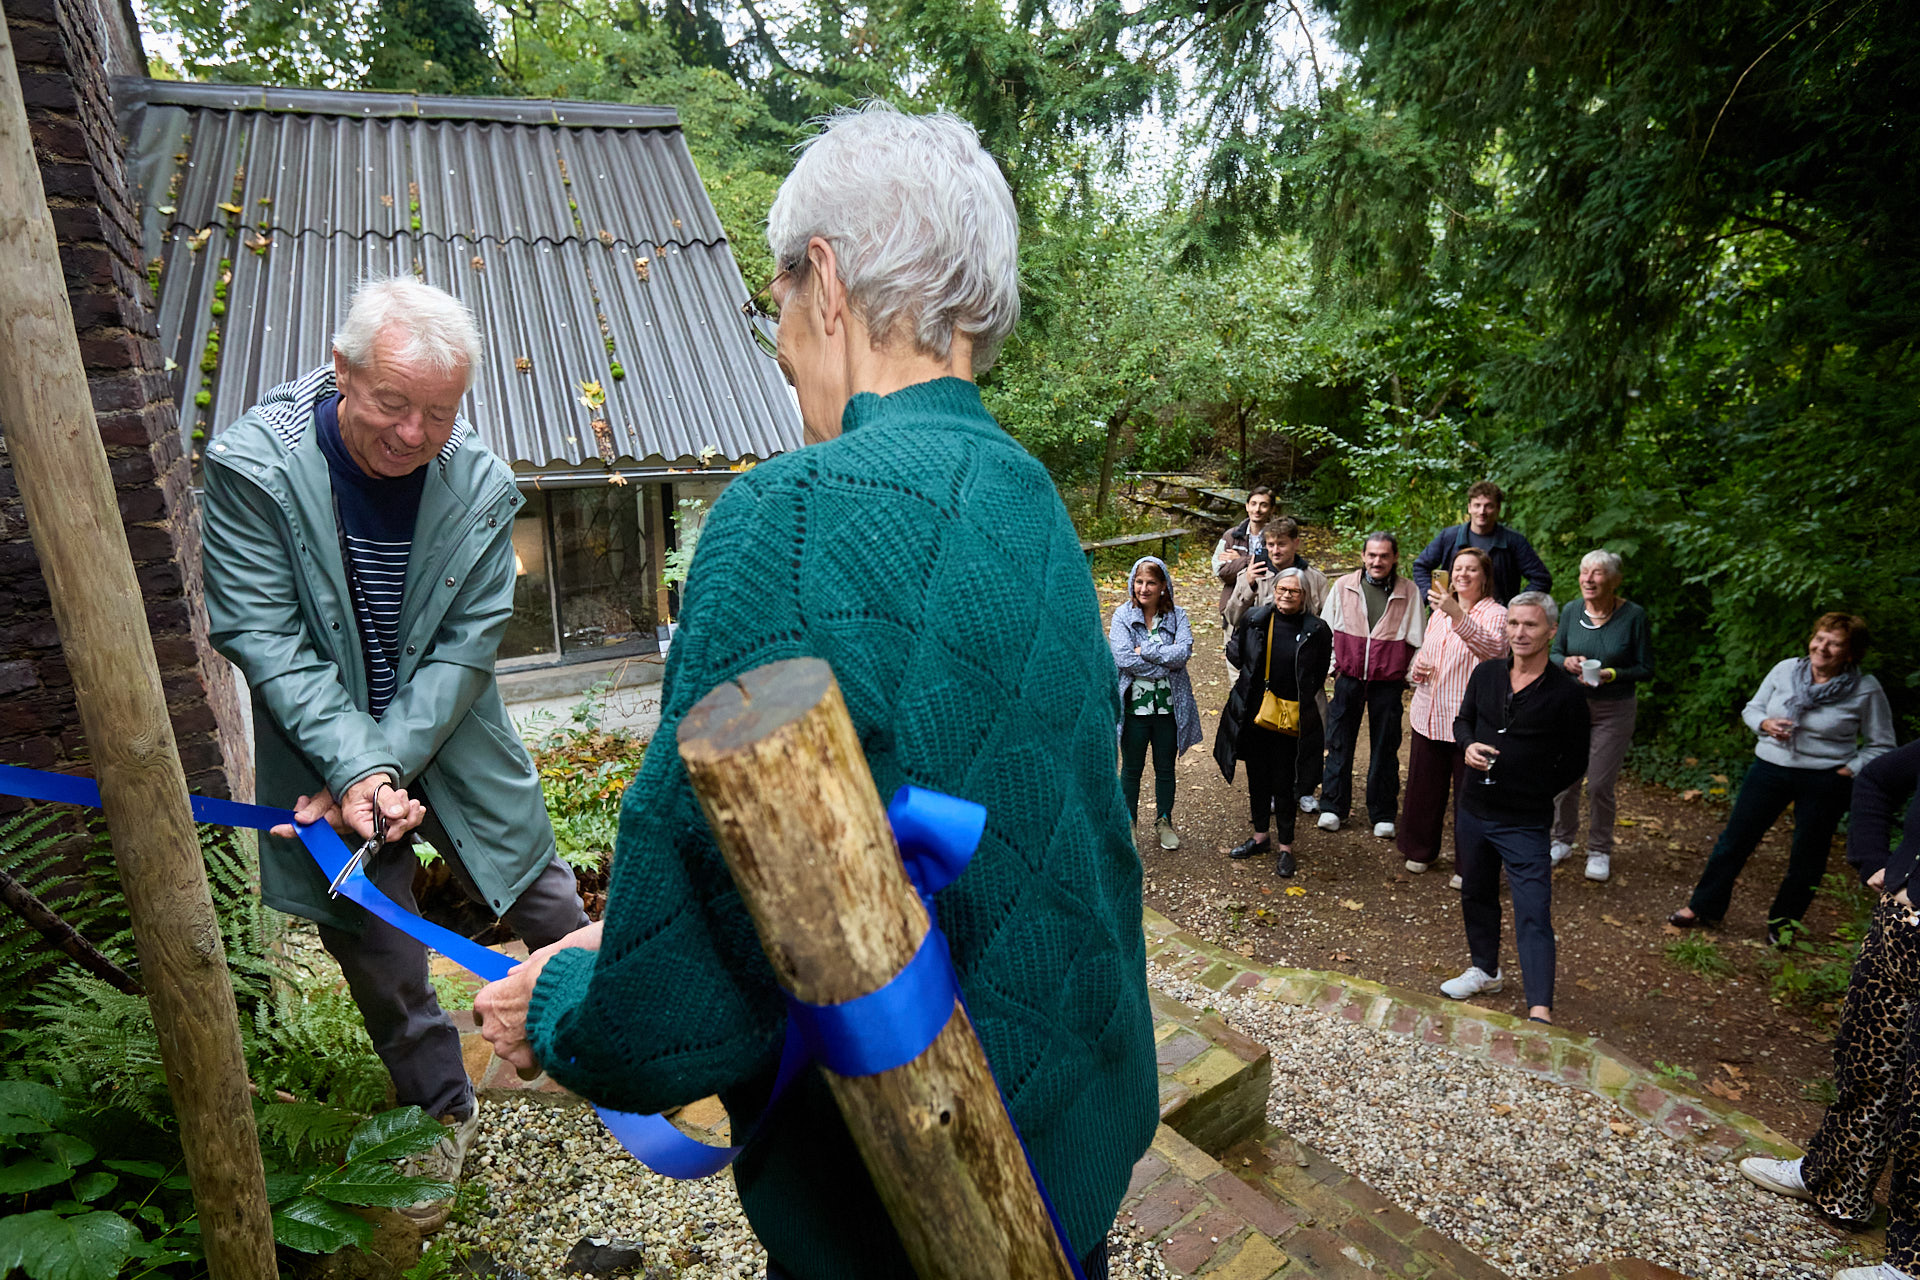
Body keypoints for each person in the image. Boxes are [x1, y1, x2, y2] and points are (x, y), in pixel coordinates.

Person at [473, 105, 1157, 1280]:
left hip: (911, 1208)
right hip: (1074, 1153)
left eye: (774, 302)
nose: (779, 342)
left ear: (824, 280)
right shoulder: (1031, 498)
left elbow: (672, 1020)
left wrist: (555, 1001)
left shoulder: (784, 523)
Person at [201, 277, 591, 1232]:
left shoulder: (482, 487)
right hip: (313, 745)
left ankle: (604, 1047)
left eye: (440, 413)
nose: (416, 434)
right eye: (392, 404)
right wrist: (355, 771)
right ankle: (441, 1109)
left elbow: (466, 649)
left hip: (453, 734)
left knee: (543, 896)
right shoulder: (254, 470)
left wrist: (380, 764)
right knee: (375, 946)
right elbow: (266, 637)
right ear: (342, 373)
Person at [1738, 739, 1920, 1280]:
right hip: (1898, 936)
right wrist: (1876, 858)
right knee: (1868, 1065)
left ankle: (1911, 1261)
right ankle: (1836, 1183)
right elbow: (1879, 779)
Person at [1670, 613, 1896, 945]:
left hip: (1824, 779)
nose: (1823, 648)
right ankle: (1703, 906)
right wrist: (1764, 724)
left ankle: (1783, 926)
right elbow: (1753, 708)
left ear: (1851, 653)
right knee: (1734, 841)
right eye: (1820, 639)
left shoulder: (1865, 689)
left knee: (1808, 856)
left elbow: (1882, 745)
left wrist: (1849, 768)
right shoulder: (1786, 669)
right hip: (1770, 768)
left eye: (1834, 643)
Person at [1442, 593, 1589, 1023]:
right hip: (1474, 807)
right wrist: (1467, 746)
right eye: (1513, 624)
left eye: (1530, 625)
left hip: (1524, 818)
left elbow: (1576, 761)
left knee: (1532, 908)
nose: (1520, 633)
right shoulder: (1487, 673)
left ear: (1551, 632)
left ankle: (1539, 1007)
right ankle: (1485, 970)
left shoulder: (1566, 693)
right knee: (1476, 892)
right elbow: (1462, 720)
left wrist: (1535, 787)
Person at [1214, 568, 1333, 879]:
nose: (1286, 595)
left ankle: (1286, 846)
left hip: (1292, 716)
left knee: (1285, 782)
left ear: (1304, 596)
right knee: (1257, 777)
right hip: (1254, 713)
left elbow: (1317, 675)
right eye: (1282, 589)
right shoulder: (1256, 618)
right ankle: (1259, 837)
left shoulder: (1316, 629)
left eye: (1294, 591)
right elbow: (1236, 655)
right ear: (1274, 590)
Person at [1398, 547, 1508, 878]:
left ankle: (1470, 866)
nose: (1461, 575)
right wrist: (1417, 669)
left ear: (1485, 577)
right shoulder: (1438, 615)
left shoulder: (1496, 615)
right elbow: (1422, 657)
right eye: (1457, 569)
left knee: (1470, 796)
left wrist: (1457, 613)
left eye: (1471, 570)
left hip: (1469, 723)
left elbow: (1493, 650)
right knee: (1422, 789)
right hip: (1428, 714)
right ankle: (1420, 849)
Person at [1548, 549, 1654, 884]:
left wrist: (1612, 674)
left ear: (1615, 580)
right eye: (1584, 572)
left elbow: (1645, 668)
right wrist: (1565, 663)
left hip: (1614, 708)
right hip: (1572, 706)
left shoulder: (1634, 616)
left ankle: (1599, 849)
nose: (1588, 579)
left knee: (1599, 783)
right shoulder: (1570, 610)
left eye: (1597, 573)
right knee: (1564, 778)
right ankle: (1561, 840)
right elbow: (1554, 652)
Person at [1316, 532, 1424, 838]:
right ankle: (1333, 807)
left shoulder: (1409, 592)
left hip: (1387, 682)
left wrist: (1409, 674)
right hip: (1348, 677)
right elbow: (1327, 629)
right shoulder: (1344, 586)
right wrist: (1333, 667)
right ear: (1363, 556)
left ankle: (1383, 813)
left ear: (1394, 559)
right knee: (1339, 742)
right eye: (1372, 555)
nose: (1378, 562)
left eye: (1385, 556)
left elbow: (1418, 639)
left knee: (1385, 747)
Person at [1222, 515, 1329, 812]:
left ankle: (1305, 787)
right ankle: (1268, 790)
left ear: (1295, 543)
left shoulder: (1317, 579)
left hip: (1302, 667)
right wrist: (1248, 585)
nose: (1276, 550)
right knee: (1264, 731)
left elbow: (1325, 624)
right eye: (1270, 544)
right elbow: (1232, 617)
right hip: (1263, 671)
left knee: (1308, 727)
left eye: (1282, 543)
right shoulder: (1255, 573)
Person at [1110, 556, 1203, 851]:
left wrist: (1145, 651)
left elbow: (1183, 653)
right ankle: (1129, 823)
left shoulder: (1179, 616)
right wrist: (1164, 659)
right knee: (1131, 769)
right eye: (1139, 581)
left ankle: (1164, 820)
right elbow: (1123, 658)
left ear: (1163, 585)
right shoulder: (1122, 615)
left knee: (1165, 768)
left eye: (1151, 582)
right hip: (1134, 709)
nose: (1144, 588)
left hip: (1168, 710)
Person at [1410, 481, 1553, 605]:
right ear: (1469, 507)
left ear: (1498, 509)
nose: (1482, 511)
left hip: (1496, 620)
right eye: (1477, 505)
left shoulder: (1513, 541)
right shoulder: (1449, 537)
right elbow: (1420, 566)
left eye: (1488, 506)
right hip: (1452, 614)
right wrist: (1432, 598)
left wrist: (1516, 607)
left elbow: (1541, 579)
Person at [1212, 485, 1275, 621]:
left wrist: (1239, 560)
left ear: (1271, 509)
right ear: (1247, 506)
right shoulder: (1231, 536)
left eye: (1263, 505)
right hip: (1234, 605)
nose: (1257, 509)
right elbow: (1221, 571)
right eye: (1253, 504)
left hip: (1268, 606)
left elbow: (1277, 568)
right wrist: (1249, 562)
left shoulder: (1277, 537)